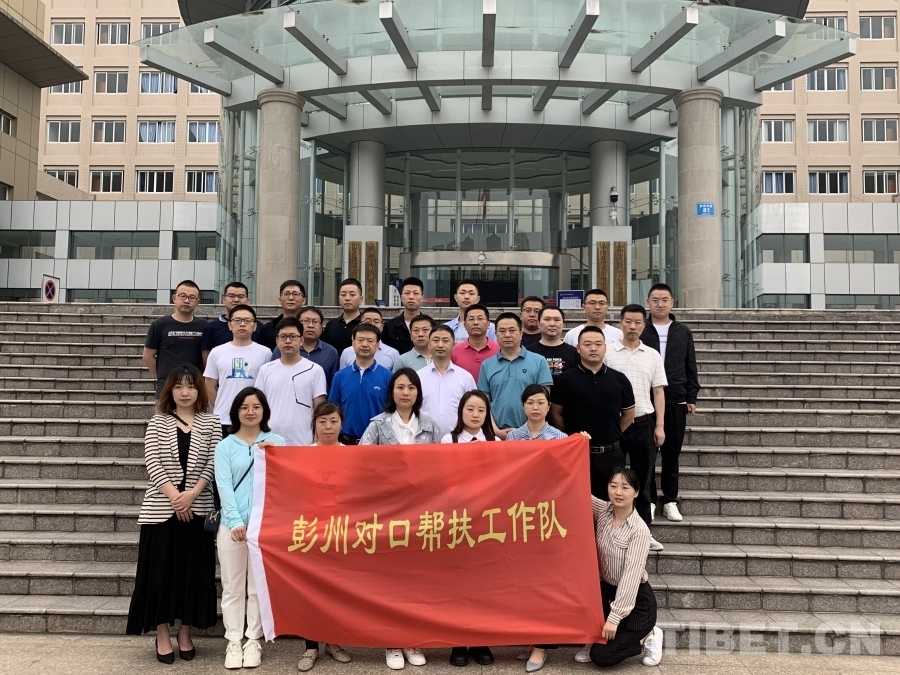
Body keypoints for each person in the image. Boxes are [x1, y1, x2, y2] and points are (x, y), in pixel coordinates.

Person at [126, 364, 220, 662]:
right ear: (170, 390)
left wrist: (191, 495)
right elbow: (152, 462)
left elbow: (213, 463)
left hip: (197, 508)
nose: (185, 392)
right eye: (179, 386)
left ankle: (185, 632)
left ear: (199, 390)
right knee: (160, 574)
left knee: (193, 572)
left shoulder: (212, 422)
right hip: (161, 511)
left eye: (190, 386)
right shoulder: (158, 422)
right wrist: (176, 498)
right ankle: (163, 633)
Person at [215, 387, 283, 670]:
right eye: (244, 407)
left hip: (264, 527)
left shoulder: (276, 441)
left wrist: (275, 454)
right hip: (232, 527)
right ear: (236, 412)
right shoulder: (225, 446)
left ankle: (253, 639)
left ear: (264, 410)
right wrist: (235, 522)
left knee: (257, 587)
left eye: (256, 406)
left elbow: (284, 483)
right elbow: (224, 486)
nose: (250, 412)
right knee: (232, 586)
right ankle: (233, 640)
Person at [296, 401, 354, 671]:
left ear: (341, 424)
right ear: (314, 424)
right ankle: (310, 647)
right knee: (311, 591)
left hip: (342, 531)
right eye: (322, 421)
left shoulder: (351, 455)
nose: (328, 427)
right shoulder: (302, 456)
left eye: (333, 421)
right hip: (311, 532)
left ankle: (334, 641)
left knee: (337, 590)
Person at [585, 468, 662, 669]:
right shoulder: (603, 511)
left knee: (601, 656)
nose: (618, 492)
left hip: (635, 603)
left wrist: (614, 618)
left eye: (625, 487)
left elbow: (631, 576)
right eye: (613, 486)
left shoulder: (639, 530)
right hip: (607, 594)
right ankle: (603, 637)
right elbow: (578, 494)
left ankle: (648, 636)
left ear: (636, 492)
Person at [441, 389, 496, 668]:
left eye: (481, 410)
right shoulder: (447, 440)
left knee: (484, 584)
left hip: (487, 524)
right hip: (456, 522)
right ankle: (458, 641)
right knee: (457, 583)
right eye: (470, 409)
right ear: (461, 411)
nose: (475, 415)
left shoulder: (496, 443)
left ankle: (480, 640)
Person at [604, 305, 667, 549]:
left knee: (643, 480)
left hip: (643, 423)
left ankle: (643, 532)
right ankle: (611, 530)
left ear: (644, 325)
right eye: (628, 321)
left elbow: (658, 392)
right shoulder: (608, 352)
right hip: (615, 426)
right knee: (613, 479)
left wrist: (659, 426)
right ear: (620, 323)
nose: (632, 326)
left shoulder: (652, 354)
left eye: (637, 322)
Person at [549, 326, 635, 498]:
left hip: (610, 454)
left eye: (598, 344)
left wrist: (613, 433)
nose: (593, 348)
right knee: (576, 499)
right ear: (578, 348)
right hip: (576, 453)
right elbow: (556, 413)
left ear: (605, 347)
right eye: (587, 344)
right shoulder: (565, 379)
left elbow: (628, 414)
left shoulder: (619, 379)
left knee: (610, 501)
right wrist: (573, 437)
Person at [640, 283, 701, 523]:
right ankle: (649, 500)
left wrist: (691, 396)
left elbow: (690, 364)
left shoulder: (682, 331)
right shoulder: (642, 329)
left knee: (671, 453)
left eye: (664, 299)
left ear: (672, 302)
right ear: (648, 302)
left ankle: (670, 500)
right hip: (646, 398)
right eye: (655, 300)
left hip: (675, 398)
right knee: (648, 453)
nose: (660, 304)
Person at [476, 313, 553, 436]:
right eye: (502, 331)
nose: (507, 335)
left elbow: (543, 400)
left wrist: (524, 430)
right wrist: (495, 430)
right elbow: (483, 402)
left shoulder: (539, 361)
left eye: (512, 330)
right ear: (495, 334)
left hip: (532, 434)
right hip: (497, 434)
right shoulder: (487, 365)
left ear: (521, 333)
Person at [255, 317, 327, 445]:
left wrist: (317, 438)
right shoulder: (265, 370)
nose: (288, 341)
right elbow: (258, 405)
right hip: (270, 440)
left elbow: (320, 408)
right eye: (283, 337)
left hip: (303, 442)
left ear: (301, 340)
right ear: (277, 340)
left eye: (293, 337)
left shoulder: (315, 370)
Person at [204, 304, 273, 438]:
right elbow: (209, 386)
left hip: (255, 418)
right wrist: (221, 406)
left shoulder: (265, 353)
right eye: (237, 320)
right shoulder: (217, 352)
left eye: (247, 321)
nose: (242, 324)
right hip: (224, 418)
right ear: (229, 325)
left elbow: (269, 387)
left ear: (255, 326)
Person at [327, 323, 393, 444]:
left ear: (377, 345)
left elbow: (392, 411)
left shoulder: (388, 376)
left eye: (370, 341)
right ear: (353, 343)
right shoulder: (340, 376)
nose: (364, 344)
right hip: (346, 441)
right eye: (360, 340)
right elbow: (333, 409)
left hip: (378, 442)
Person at [143, 280, 207, 394]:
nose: (186, 300)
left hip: (195, 389)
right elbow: (148, 357)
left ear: (198, 302)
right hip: (166, 389)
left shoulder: (205, 326)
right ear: (174, 298)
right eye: (182, 296)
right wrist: (165, 377)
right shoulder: (159, 325)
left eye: (192, 297)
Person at [419, 325, 476, 437]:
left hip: (458, 440)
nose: (440, 345)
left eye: (445, 341)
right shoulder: (418, 377)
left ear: (454, 345)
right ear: (429, 345)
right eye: (436, 340)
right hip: (425, 440)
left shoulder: (465, 377)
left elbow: (474, 408)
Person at [360, 368, 442, 446]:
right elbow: (361, 453)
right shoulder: (378, 424)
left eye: (411, 388)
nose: (405, 393)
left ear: (418, 392)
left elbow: (441, 453)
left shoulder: (429, 424)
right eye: (400, 387)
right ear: (392, 392)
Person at [201, 282, 263, 365]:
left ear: (247, 300)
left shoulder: (258, 326)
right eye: (231, 296)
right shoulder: (211, 327)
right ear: (223, 299)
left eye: (241, 296)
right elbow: (207, 357)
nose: (236, 300)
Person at [527, 306, 579, 384]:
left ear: (563, 324)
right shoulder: (528, 352)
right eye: (547, 319)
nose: (552, 324)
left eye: (557, 320)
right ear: (538, 323)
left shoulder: (575, 353)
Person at [450, 304, 499, 381]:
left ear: (488, 324)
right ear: (465, 325)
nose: (475, 322)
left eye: (480, 318)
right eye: (471, 319)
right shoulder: (455, 351)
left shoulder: (499, 350)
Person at [297, 306, 340, 390]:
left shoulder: (331, 352)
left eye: (315, 322)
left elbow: (333, 385)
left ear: (321, 328)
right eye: (305, 321)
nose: (310, 325)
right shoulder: (285, 348)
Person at [381, 277, 425, 354]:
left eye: (415, 293)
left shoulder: (431, 326)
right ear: (401, 298)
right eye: (407, 293)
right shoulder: (389, 326)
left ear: (422, 298)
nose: (411, 297)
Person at [259, 280, 306, 350]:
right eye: (286, 294)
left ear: (304, 301)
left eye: (295, 294)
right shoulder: (268, 329)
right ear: (280, 300)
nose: (290, 298)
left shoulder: (310, 327)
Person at [322, 278, 363, 353]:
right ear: (339, 299)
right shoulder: (331, 325)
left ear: (361, 299)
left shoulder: (365, 324)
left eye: (352, 295)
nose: (347, 298)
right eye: (343, 295)